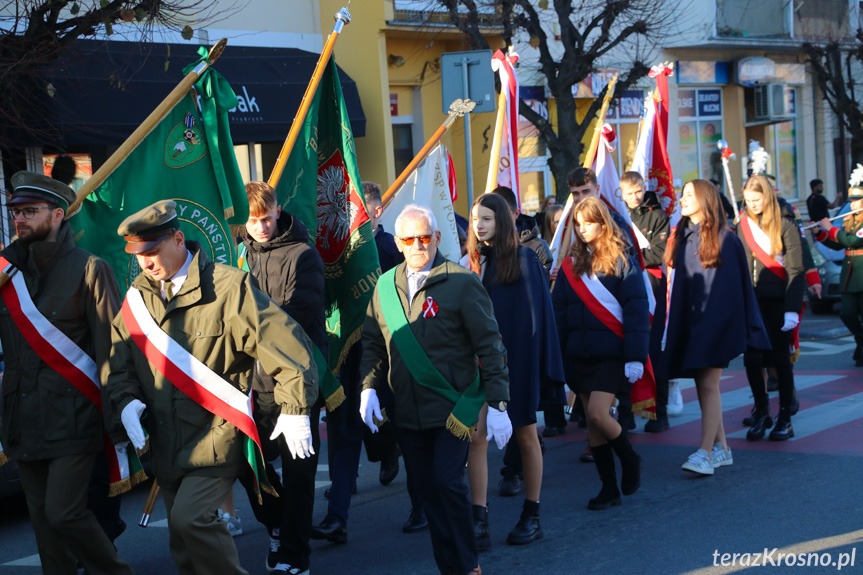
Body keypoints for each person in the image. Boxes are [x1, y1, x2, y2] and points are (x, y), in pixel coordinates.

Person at [105, 200, 320, 575]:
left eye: (153, 252)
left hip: (217, 434)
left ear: (178, 239)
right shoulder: (138, 297)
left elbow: (286, 345)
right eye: (139, 255)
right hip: (166, 440)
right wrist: (125, 401)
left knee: (194, 521)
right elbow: (119, 361)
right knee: (183, 546)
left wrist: (296, 407)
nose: (146, 263)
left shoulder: (227, 287)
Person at [359, 204, 512, 575]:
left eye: (425, 237)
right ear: (397, 242)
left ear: (437, 238)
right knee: (426, 492)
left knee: (447, 483)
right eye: (409, 239)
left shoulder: (461, 282)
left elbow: (490, 345)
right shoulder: (384, 287)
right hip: (407, 411)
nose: (418, 245)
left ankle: (468, 564)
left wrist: (498, 403)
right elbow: (373, 344)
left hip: (451, 410)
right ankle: (450, 567)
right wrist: (368, 388)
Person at [0, 171, 135, 575]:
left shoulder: (90, 269)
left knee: (63, 514)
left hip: (74, 418)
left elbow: (114, 349)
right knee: (43, 526)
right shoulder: (7, 274)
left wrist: (119, 420)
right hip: (22, 420)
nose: (19, 219)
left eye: (30, 211)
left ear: (58, 215)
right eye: (16, 212)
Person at [464, 193, 565, 547]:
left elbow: (537, 324)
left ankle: (532, 515)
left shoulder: (525, 259)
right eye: (476, 219)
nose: (479, 225)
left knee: (525, 436)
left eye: (487, 219)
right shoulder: (472, 262)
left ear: (502, 222)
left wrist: (528, 376)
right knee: (476, 437)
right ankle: (479, 519)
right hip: (479, 367)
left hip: (517, 366)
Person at [236, 181, 325, 575]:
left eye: (266, 219)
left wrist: (246, 324)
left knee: (299, 469)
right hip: (253, 382)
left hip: (295, 378)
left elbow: (297, 316)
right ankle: (276, 520)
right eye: (252, 222)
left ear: (278, 210)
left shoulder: (303, 255)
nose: (260, 228)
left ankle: (294, 553)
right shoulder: (238, 256)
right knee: (242, 457)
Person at [663, 180, 769, 475]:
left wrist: (727, 326)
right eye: (681, 195)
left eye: (688, 195)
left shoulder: (727, 239)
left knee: (708, 385)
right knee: (702, 386)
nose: (682, 199)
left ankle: (705, 453)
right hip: (693, 323)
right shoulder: (683, 237)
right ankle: (722, 448)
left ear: (705, 199)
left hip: (717, 325)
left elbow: (737, 291)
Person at [552, 197, 649, 509]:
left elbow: (636, 311)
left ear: (603, 223)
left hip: (610, 353)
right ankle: (609, 488)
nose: (582, 230)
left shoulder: (623, 261)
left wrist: (635, 355)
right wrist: (559, 355)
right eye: (577, 224)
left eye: (588, 222)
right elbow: (560, 313)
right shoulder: (570, 265)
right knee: (593, 425)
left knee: (597, 413)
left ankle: (631, 459)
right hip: (578, 354)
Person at [736, 175, 805, 440]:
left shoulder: (787, 225)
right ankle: (762, 411)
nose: (752, 204)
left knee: (780, 361)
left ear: (767, 197)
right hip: (753, 303)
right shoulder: (743, 226)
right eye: (748, 200)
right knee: (752, 360)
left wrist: (791, 309)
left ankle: (785, 417)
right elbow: (742, 266)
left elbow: (795, 269)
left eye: (757, 199)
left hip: (779, 304)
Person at [620, 172, 671, 433]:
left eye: (637, 192)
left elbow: (657, 253)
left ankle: (658, 412)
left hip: (653, 289)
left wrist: (631, 256)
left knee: (654, 352)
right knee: (627, 350)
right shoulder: (618, 216)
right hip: (626, 287)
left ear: (644, 188)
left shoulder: (658, 216)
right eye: (628, 193)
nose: (634, 197)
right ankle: (625, 411)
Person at [813, 165, 863, 366]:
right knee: (847, 313)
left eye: (857, 201)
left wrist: (831, 228)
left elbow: (852, 242)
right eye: (851, 201)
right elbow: (839, 242)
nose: (853, 205)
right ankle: (861, 341)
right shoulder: (849, 221)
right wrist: (821, 234)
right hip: (851, 275)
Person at [491, 186, 553, 277]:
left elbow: (539, 285)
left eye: (503, 214)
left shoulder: (537, 248)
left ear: (516, 214)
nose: (498, 219)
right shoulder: (484, 245)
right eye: (492, 215)